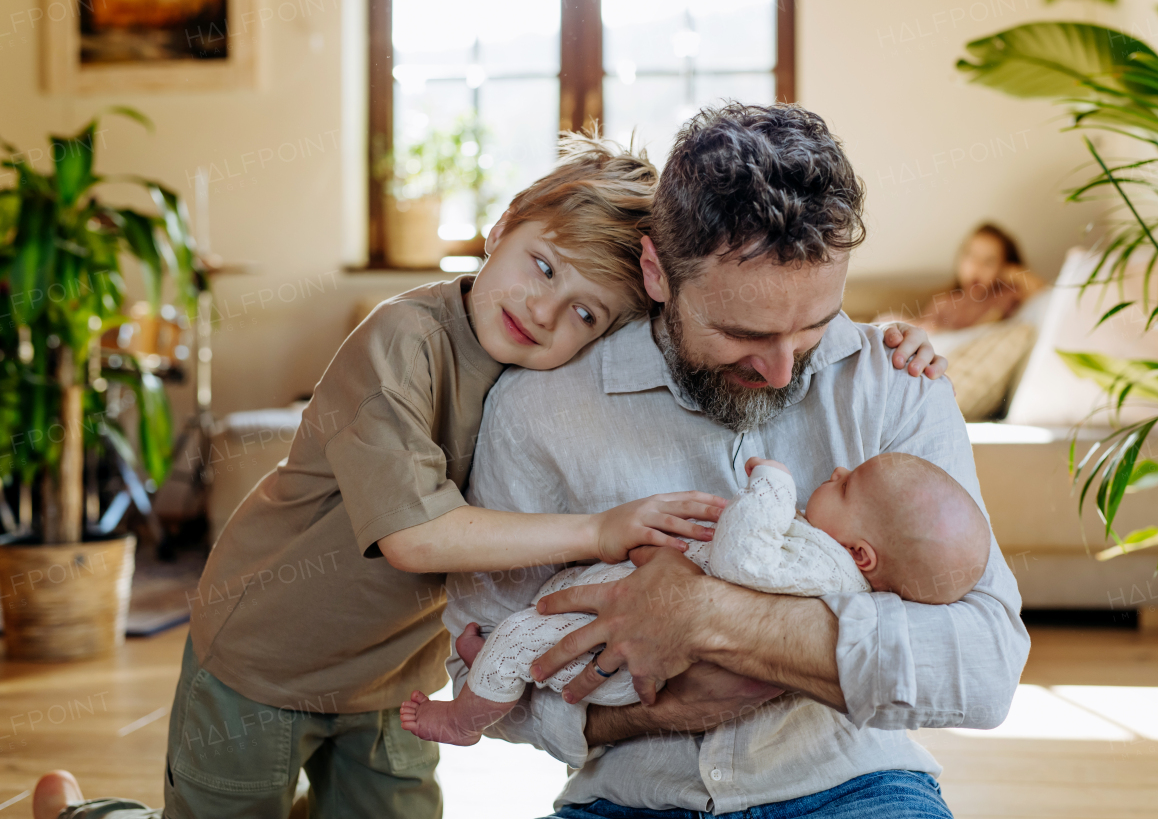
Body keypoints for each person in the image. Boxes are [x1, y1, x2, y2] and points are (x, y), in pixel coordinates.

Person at [32, 131, 943, 819]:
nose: (542, 311)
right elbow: (416, 535)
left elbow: (733, 302)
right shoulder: (401, 340)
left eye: (583, 309)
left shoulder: (556, 370)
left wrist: (876, 336)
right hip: (261, 657)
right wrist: (598, 531)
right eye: (537, 264)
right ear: (502, 227)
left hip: (392, 678)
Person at [445, 102, 1030, 819]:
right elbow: (480, 674)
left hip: (858, 787)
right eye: (742, 332)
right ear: (658, 273)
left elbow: (985, 666)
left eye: (813, 325)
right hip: (628, 799)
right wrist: (657, 712)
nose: (782, 369)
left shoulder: (896, 383)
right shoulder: (539, 410)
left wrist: (707, 615)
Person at [400, 452, 991, 747]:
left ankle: (462, 718)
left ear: (862, 555)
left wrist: (772, 488)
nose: (835, 470)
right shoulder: (840, 574)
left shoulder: (823, 564)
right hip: (619, 633)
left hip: (628, 658)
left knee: (522, 641)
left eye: (847, 484)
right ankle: (503, 674)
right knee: (533, 637)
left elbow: (741, 557)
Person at [912, 223, 1047, 331]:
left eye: (989, 261)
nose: (976, 267)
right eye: (970, 256)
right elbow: (920, 332)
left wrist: (1013, 273)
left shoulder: (1007, 296)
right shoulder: (943, 303)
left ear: (1003, 268)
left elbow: (1044, 298)